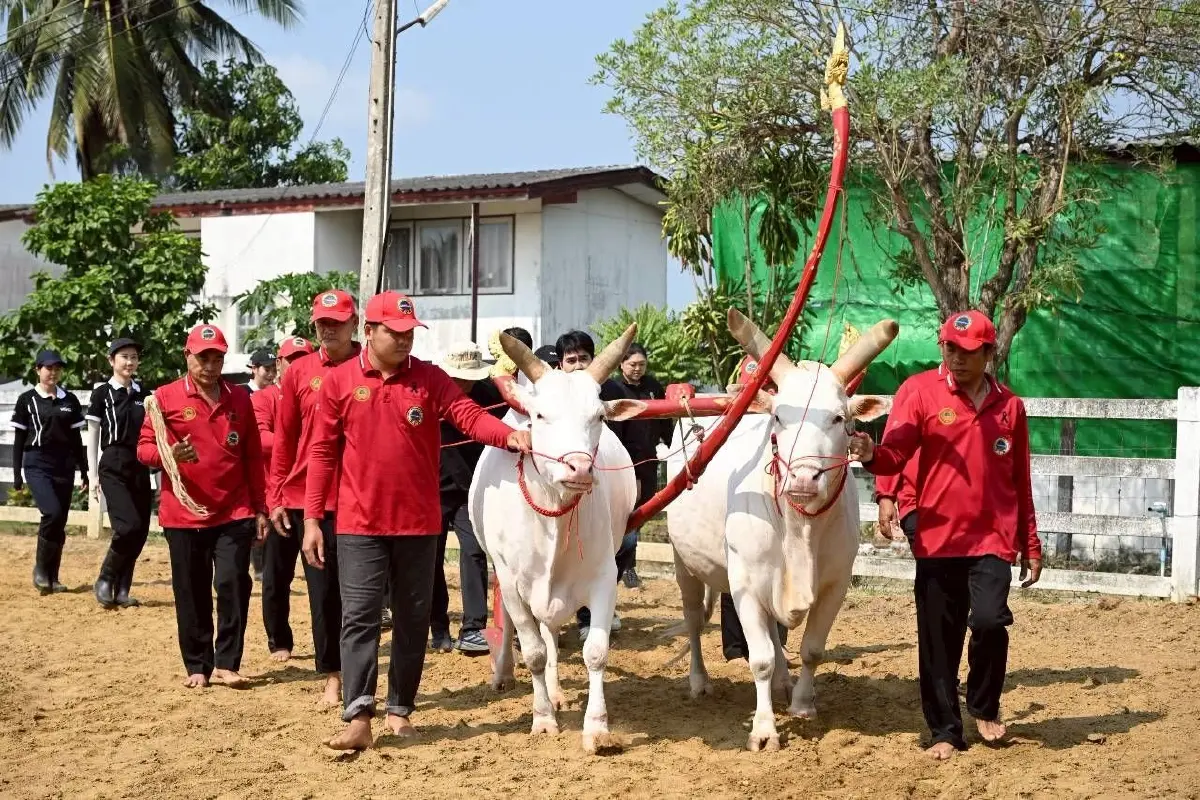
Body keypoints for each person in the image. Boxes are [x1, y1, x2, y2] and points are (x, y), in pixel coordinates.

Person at [303, 291, 531, 751]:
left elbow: (469, 417)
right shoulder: (340, 381)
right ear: (370, 331)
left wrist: (511, 436)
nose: (406, 340)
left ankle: (400, 709)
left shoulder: (430, 379)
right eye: (396, 332)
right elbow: (322, 451)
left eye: (410, 332)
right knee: (359, 618)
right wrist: (312, 518)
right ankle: (358, 715)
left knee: (412, 619)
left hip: (419, 525)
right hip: (358, 525)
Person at [849, 310, 1042, 761]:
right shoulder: (919, 391)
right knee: (939, 634)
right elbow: (896, 454)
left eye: (968, 351)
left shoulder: (1010, 407)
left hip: (993, 536)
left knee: (991, 620)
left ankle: (984, 703)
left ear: (989, 353)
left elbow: (1020, 479)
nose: (957, 357)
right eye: (950, 348)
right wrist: (873, 456)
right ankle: (945, 730)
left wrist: (1030, 543)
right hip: (936, 534)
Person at [137, 324, 268, 689]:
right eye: (203, 358)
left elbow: (252, 455)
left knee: (233, 583)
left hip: (234, 510)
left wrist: (260, 507)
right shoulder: (164, 398)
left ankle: (227, 662)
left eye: (217, 358)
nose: (210, 366)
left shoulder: (239, 397)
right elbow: (143, 449)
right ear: (188, 356)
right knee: (191, 589)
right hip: (184, 513)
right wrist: (169, 454)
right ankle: (198, 665)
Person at [265, 291, 359, 709]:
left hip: (362, 494)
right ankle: (333, 677)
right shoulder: (299, 372)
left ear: (354, 324)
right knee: (323, 593)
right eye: (322, 322)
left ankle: (362, 675)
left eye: (336, 321)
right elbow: (285, 439)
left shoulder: (370, 365)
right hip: (311, 499)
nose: (328, 328)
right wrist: (276, 495)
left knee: (363, 594)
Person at [554, 330, 635, 639]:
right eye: (571, 360)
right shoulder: (551, 395)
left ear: (594, 360)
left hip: (606, 485)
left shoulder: (612, 391)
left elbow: (630, 443)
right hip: (559, 492)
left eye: (584, 358)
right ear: (560, 365)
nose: (577, 365)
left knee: (625, 542)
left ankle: (594, 609)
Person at [429, 341, 508, 655]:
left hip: (471, 488)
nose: (464, 383)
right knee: (430, 559)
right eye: (459, 377)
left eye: (469, 377)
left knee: (474, 551)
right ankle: (438, 628)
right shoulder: (430, 393)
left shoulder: (490, 396)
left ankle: (473, 627)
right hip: (431, 489)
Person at [12, 349, 87, 595]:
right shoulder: (26, 400)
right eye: (48, 368)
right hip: (37, 463)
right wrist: (17, 475)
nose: (53, 372)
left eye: (57, 368)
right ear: (38, 370)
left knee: (60, 520)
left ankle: (53, 577)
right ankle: (41, 571)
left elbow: (76, 440)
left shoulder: (69, 400)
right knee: (52, 513)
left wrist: (85, 471)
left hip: (64, 465)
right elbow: (19, 439)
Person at [87, 338, 152, 609]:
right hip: (113, 464)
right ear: (111, 360)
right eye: (124, 356)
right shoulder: (102, 393)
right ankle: (106, 578)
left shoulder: (144, 395)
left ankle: (123, 590)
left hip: (140, 464)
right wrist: (92, 475)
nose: (130, 362)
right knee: (127, 526)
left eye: (134, 357)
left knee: (141, 530)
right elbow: (93, 435)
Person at [608, 343, 673, 589]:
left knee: (643, 512)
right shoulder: (614, 389)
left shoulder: (653, 387)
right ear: (621, 364)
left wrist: (672, 442)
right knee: (627, 517)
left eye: (642, 364)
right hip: (623, 463)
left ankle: (625, 563)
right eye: (633, 364)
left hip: (649, 462)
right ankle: (626, 566)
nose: (637, 369)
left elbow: (665, 420)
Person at [245, 348, 278, 580]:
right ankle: (258, 566)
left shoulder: (279, 395)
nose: (271, 374)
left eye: (274, 369)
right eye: (267, 369)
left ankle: (263, 566)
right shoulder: (241, 394)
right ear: (254, 369)